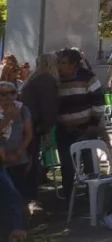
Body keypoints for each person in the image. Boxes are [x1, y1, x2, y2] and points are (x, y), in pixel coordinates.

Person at [54, 48, 112, 228]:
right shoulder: (56, 79)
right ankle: (69, 199)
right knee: (67, 165)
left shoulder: (88, 77)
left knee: (89, 163)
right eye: (59, 62)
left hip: (85, 129)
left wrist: (93, 124)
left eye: (63, 63)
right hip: (64, 129)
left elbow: (98, 101)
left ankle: (92, 198)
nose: (60, 66)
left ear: (73, 65)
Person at [17, 53, 59, 212]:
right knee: (30, 161)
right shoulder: (46, 80)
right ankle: (29, 198)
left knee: (28, 160)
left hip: (26, 123)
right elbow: (47, 106)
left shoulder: (34, 78)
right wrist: (46, 128)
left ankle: (25, 196)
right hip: (32, 125)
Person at [1, 81, 33, 205]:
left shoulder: (23, 109)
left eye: (12, 93)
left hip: (18, 157)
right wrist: (8, 118)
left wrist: (18, 153)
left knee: (18, 194)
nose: (8, 97)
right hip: (2, 160)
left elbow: (28, 134)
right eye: (3, 94)